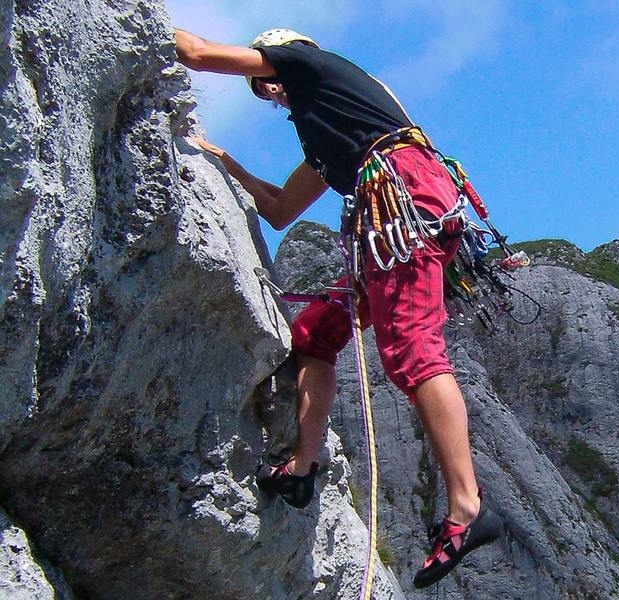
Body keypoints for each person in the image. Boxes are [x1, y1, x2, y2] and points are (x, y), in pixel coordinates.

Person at [174, 27, 502, 588]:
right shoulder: (330, 136)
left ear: (279, 58)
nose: (270, 97)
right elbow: (280, 210)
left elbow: (196, 54)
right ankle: (302, 469)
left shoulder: (310, 66)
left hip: (405, 203)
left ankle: (467, 506)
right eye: (261, 94)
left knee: (413, 353)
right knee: (314, 334)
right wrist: (229, 163)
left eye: (265, 83)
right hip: (397, 215)